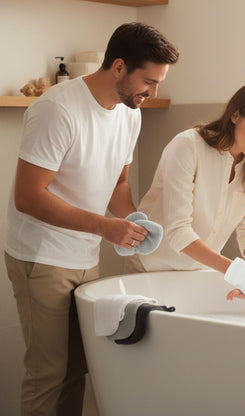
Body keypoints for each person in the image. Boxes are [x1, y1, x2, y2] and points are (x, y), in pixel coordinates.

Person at [4, 22, 179, 416]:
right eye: (148, 82)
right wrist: (105, 227)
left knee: (79, 369)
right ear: (118, 67)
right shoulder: (57, 109)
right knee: (48, 372)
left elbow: (117, 182)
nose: (152, 93)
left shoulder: (129, 114)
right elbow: (28, 197)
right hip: (42, 255)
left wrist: (132, 221)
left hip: (85, 256)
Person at [124, 81, 245, 302]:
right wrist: (240, 274)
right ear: (235, 115)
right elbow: (178, 231)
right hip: (153, 265)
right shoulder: (188, 147)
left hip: (202, 269)